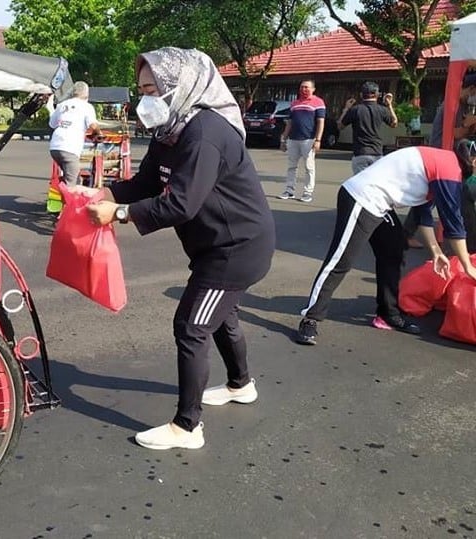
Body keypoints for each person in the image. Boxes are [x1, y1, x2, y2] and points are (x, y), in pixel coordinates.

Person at [81, 48, 275, 451]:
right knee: (222, 316)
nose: (146, 99)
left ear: (179, 85)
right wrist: (104, 191)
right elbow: (149, 182)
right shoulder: (171, 130)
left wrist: (118, 214)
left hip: (236, 250)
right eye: (143, 90)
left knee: (191, 326)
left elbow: (180, 203)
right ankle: (241, 386)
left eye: (153, 89)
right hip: (215, 245)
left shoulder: (205, 134)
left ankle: (187, 427)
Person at [294, 141, 476, 346]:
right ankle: (311, 318)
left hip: (381, 204)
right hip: (362, 197)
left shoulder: (444, 163)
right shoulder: (450, 170)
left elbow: (423, 213)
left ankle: (388, 314)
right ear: (473, 161)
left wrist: (435, 252)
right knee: (340, 260)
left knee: (394, 250)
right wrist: (467, 266)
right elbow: (454, 224)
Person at [404, 73, 476, 252]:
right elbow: (455, 133)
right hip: (442, 155)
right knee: (439, 198)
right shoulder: (453, 106)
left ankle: (405, 234)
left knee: (428, 198)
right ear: (471, 89)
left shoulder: (457, 104)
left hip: (445, 156)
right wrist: (471, 124)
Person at [278, 80, 326, 203]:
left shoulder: (318, 102)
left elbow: (321, 122)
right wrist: (284, 138)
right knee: (291, 166)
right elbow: (290, 123)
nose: (304, 89)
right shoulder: (295, 103)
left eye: (306, 87)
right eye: (302, 87)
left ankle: (307, 192)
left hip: (308, 140)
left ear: (313, 89)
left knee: (309, 167)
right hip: (293, 139)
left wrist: (318, 139)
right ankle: (289, 190)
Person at [48, 81, 101, 187]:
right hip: (70, 148)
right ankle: (69, 202)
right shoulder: (87, 106)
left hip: (55, 147)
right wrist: (99, 133)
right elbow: (93, 126)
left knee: (74, 177)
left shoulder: (62, 105)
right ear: (87, 94)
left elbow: (52, 124)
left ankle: (63, 194)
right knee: (71, 185)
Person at [337, 82, 398, 173]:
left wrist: (346, 109)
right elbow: (394, 123)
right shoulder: (382, 109)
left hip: (360, 152)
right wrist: (389, 105)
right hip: (377, 152)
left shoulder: (355, 110)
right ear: (377, 95)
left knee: (361, 184)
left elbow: (340, 126)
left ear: (361, 95)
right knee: (375, 183)